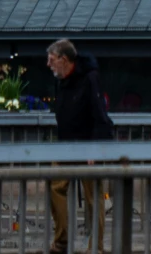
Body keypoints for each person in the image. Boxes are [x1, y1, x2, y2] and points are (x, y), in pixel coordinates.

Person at [46, 40, 115, 254]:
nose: (49, 65)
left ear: (63, 60)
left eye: (51, 60)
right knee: (55, 185)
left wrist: (94, 148)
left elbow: (99, 115)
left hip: (87, 144)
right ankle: (62, 240)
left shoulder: (89, 78)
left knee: (94, 196)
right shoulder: (61, 80)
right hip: (66, 143)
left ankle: (97, 246)